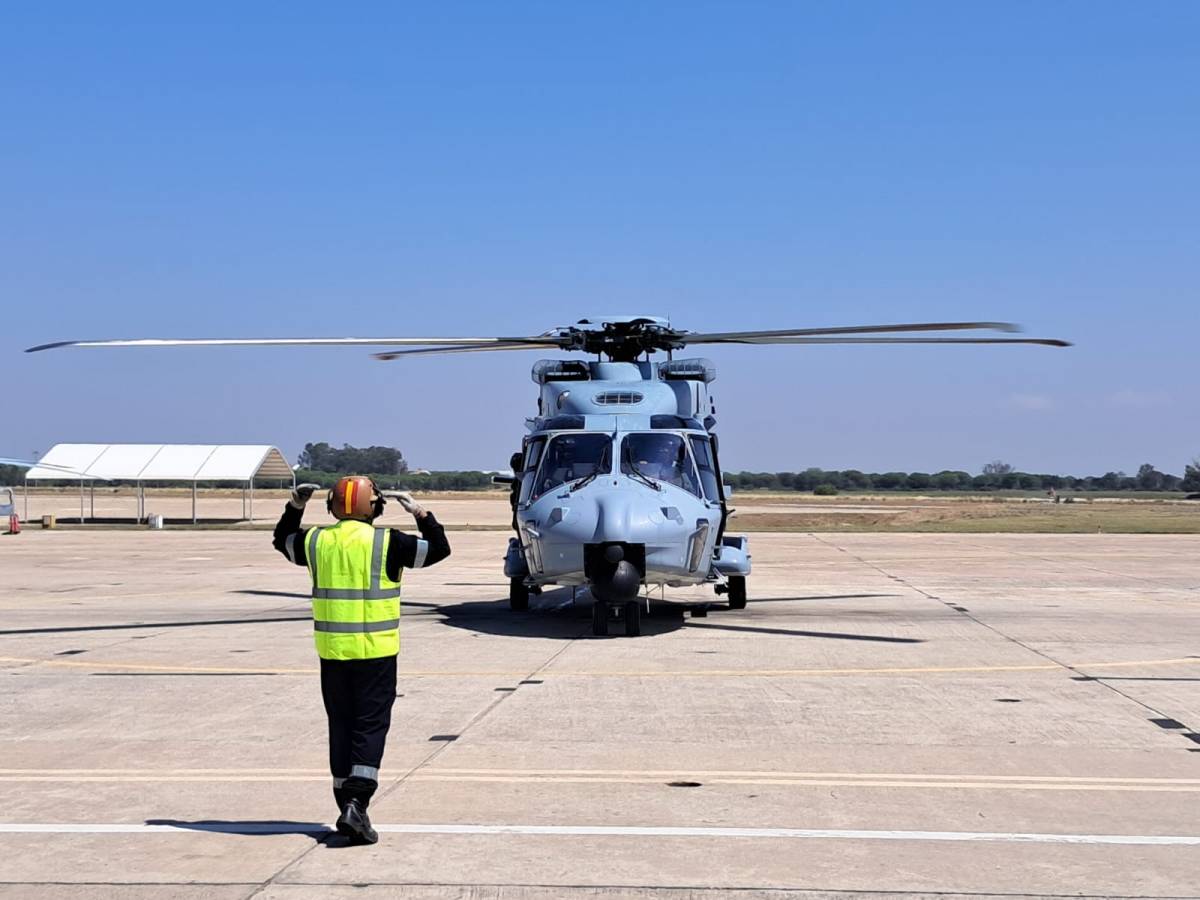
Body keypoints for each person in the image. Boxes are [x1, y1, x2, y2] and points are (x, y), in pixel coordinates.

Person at [273, 476, 450, 845]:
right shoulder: (388, 542)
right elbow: (438, 549)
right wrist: (419, 512)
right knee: (369, 727)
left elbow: (282, 540)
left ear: (332, 507)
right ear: (376, 507)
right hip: (376, 653)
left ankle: (346, 804)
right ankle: (357, 802)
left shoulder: (316, 540)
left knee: (340, 725)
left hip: (333, 653)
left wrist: (295, 507)